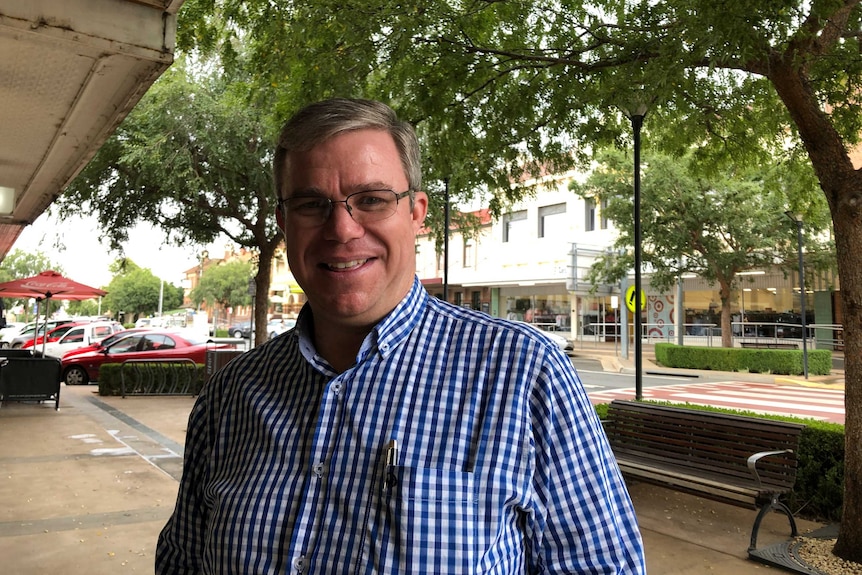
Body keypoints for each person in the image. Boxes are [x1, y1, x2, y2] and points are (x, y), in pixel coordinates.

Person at [156, 98, 645, 574]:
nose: (342, 229)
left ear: (416, 212)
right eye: (311, 204)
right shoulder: (230, 397)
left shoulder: (523, 373)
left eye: (370, 200)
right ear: (284, 222)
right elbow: (181, 562)